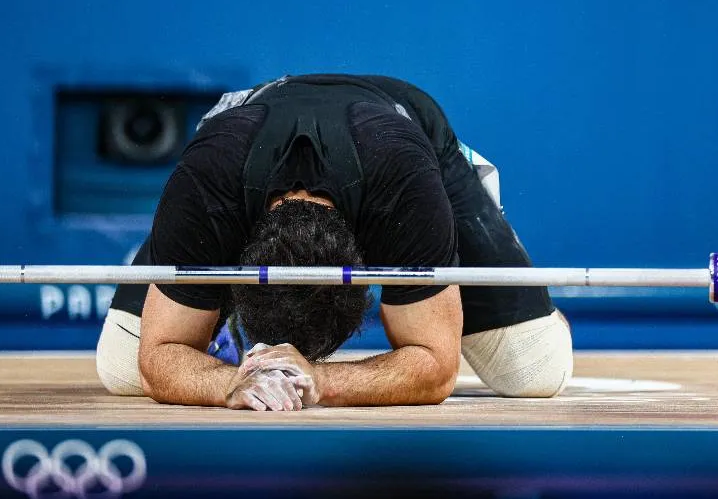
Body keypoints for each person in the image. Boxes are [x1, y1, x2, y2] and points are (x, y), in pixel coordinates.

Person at [96, 74, 573, 410]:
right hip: (248, 122)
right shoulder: (207, 185)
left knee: (533, 371)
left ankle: (541, 310)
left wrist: (320, 379)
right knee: (122, 370)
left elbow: (436, 365)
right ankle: (213, 327)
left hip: (409, 128)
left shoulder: (402, 190)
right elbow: (157, 355)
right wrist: (229, 382)